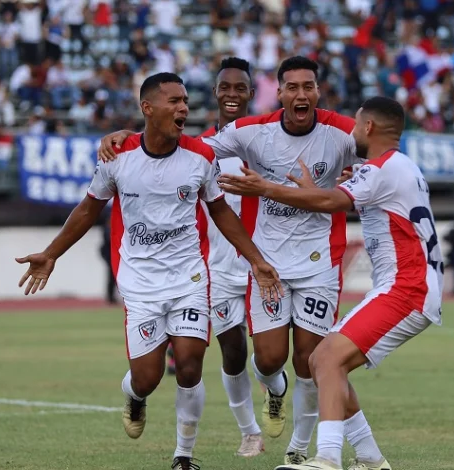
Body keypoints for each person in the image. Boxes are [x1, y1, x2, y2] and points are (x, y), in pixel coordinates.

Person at [98, 56, 384, 468]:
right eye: (292, 87)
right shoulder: (244, 136)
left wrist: (356, 178)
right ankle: (257, 415)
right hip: (243, 263)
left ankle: (299, 448)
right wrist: (127, 134)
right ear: (279, 93)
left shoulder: (339, 131)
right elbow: (169, 144)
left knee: (310, 360)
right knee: (258, 358)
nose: (300, 94)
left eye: (309, 87)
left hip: (316, 261)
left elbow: (379, 153)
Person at [16, 72, 281, 470]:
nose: (183, 108)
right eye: (173, 101)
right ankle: (135, 398)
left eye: (186, 101)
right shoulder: (117, 157)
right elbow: (89, 209)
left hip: (189, 277)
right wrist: (52, 253)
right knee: (147, 377)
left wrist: (256, 259)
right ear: (148, 108)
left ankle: (183, 456)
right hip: (140, 283)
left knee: (190, 363)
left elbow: (221, 212)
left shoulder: (201, 157)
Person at [218, 96, 442, 470]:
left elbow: (331, 202)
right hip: (409, 287)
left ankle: (327, 457)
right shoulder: (401, 167)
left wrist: (266, 189)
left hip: (406, 288)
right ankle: (370, 458)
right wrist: (314, 190)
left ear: (368, 127)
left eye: (355, 125)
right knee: (326, 362)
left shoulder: (380, 169)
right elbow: (344, 199)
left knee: (324, 358)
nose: (351, 131)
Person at [166, 56, 265, 456]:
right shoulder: (201, 148)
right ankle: (250, 431)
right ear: (215, 92)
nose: (232, 94)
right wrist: (121, 135)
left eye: (240, 87)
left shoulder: (269, 141)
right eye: (225, 87)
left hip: (266, 261)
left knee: (273, 358)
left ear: (251, 94)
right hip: (220, 267)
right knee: (233, 349)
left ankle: (273, 386)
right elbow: (153, 145)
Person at [100, 212, 117, 304]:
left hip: (114, 254)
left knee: (114, 276)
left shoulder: (114, 228)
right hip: (109, 255)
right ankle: (110, 297)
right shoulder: (107, 229)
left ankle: (112, 296)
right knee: (111, 276)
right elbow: (108, 241)